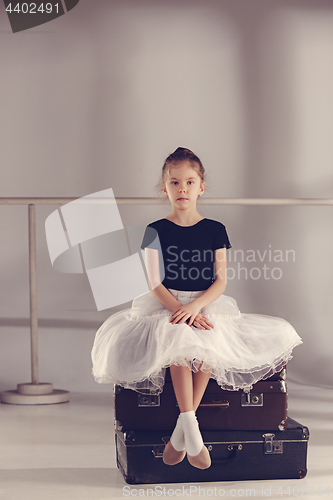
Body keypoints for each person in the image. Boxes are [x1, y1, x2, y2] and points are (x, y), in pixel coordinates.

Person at [91, 147, 303, 470]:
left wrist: (198, 308)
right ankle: (190, 424)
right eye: (174, 183)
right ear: (165, 188)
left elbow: (220, 282)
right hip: (167, 303)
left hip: (207, 302)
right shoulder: (154, 231)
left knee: (209, 339)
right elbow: (154, 283)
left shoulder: (215, 229)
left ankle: (182, 431)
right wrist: (180, 309)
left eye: (190, 182)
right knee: (177, 338)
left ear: (201, 186)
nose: (182, 189)